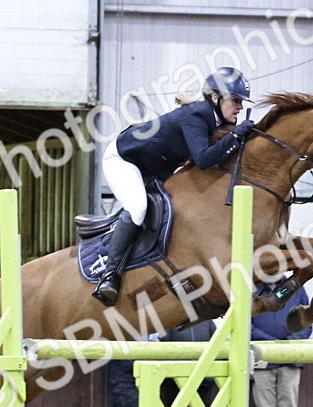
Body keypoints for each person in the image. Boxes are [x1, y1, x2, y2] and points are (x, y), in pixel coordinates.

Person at [93, 67, 256, 306]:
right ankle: (110, 275)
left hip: (152, 168)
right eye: (235, 100)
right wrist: (235, 137)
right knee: (138, 208)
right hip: (123, 159)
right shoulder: (197, 115)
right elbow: (203, 160)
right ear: (215, 98)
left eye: (241, 102)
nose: (240, 107)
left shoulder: (214, 120)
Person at [250, 287, 313, 407]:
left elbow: (307, 321)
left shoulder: (297, 289)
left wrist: (285, 345)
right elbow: (246, 324)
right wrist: (275, 345)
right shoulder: (254, 289)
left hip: (290, 358)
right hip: (263, 360)